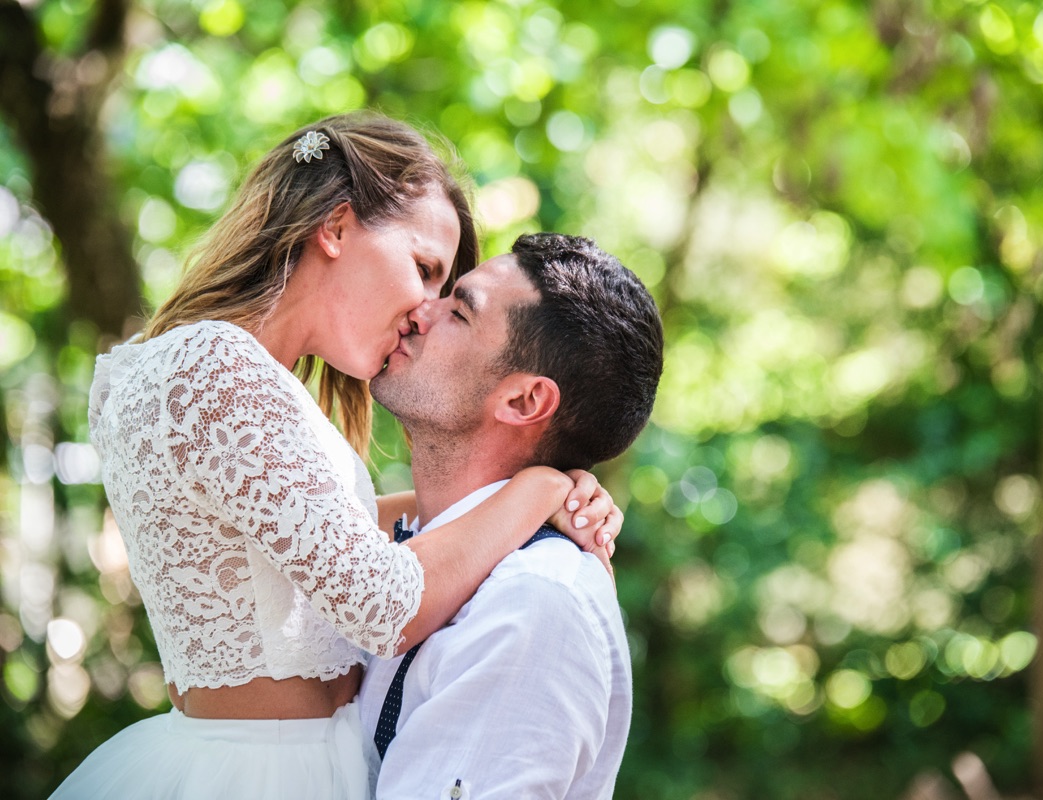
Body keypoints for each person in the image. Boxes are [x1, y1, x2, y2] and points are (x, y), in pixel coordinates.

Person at [51, 114, 620, 800]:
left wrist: (503, 503)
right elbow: (384, 605)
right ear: (338, 227)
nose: (423, 311)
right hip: (262, 773)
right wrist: (538, 489)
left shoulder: (220, 369)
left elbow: (295, 548)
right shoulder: (216, 366)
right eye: (424, 269)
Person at [360, 232, 664, 798]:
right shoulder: (400, 554)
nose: (418, 311)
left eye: (458, 312)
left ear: (524, 401)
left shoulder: (535, 602)